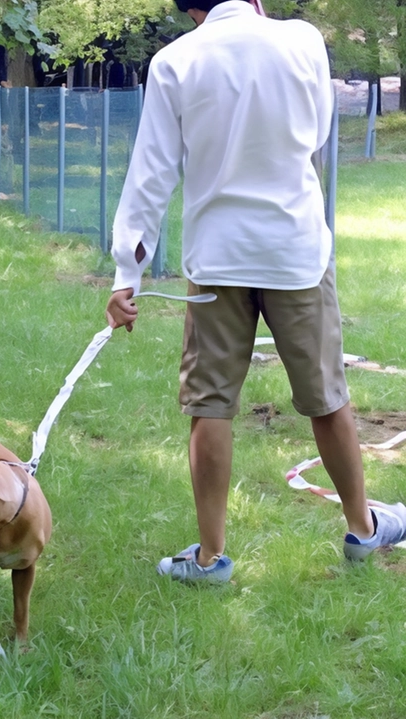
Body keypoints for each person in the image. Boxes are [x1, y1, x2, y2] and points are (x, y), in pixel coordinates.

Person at [106, 0, 405, 583]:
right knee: (327, 396)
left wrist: (127, 275)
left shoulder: (174, 60)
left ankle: (211, 558)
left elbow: (152, 172)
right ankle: (364, 532)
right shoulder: (303, 40)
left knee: (209, 404)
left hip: (217, 258)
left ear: (190, 10)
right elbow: (317, 131)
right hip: (294, 252)